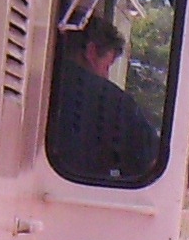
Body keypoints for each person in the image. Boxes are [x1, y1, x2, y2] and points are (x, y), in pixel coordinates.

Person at [48, 13, 167, 184]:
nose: (106, 75)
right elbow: (152, 162)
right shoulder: (113, 103)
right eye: (107, 66)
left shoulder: (41, 80)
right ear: (91, 51)